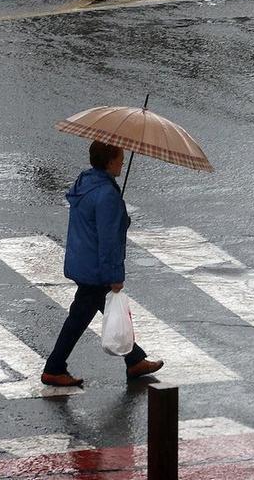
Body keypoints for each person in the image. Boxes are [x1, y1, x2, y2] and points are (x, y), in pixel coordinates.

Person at [41, 141, 164, 387]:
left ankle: (135, 359)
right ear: (109, 162)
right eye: (120, 158)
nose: (123, 162)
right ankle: (54, 368)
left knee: (86, 311)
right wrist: (114, 275)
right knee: (82, 315)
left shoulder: (86, 182)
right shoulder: (107, 194)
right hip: (96, 267)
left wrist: (120, 219)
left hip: (83, 260)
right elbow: (107, 241)